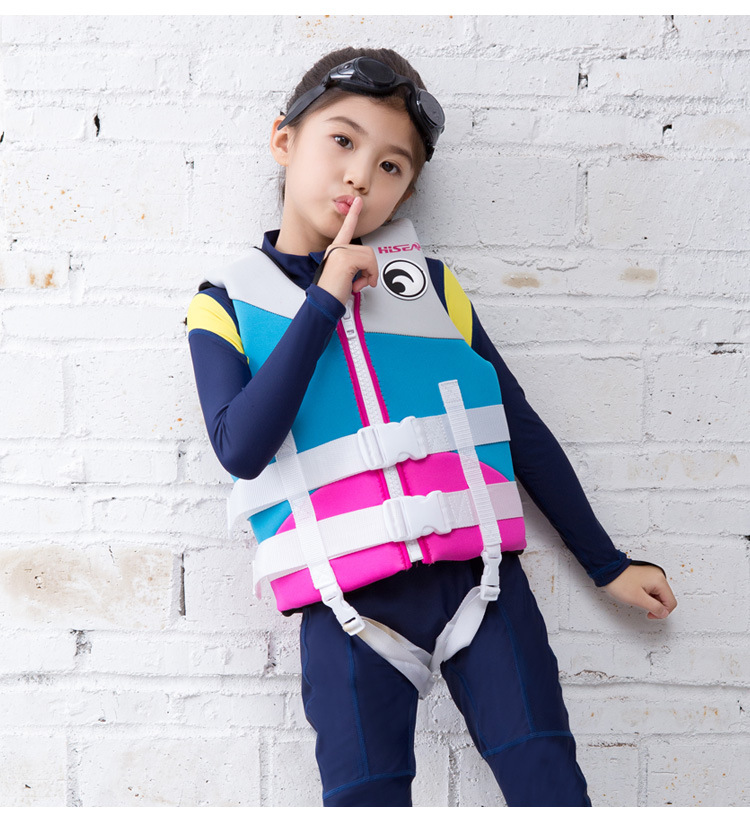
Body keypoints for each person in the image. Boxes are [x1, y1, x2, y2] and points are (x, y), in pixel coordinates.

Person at [187, 47, 677, 807]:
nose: (360, 177)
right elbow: (241, 448)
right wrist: (323, 301)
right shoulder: (224, 302)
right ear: (284, 140)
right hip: (345, 612)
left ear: (407, 189)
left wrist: (606, 564)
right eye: (342, 141)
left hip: (484, 589)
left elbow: (517, 425)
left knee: (551, 789)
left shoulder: (431, 290)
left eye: (391, 166)